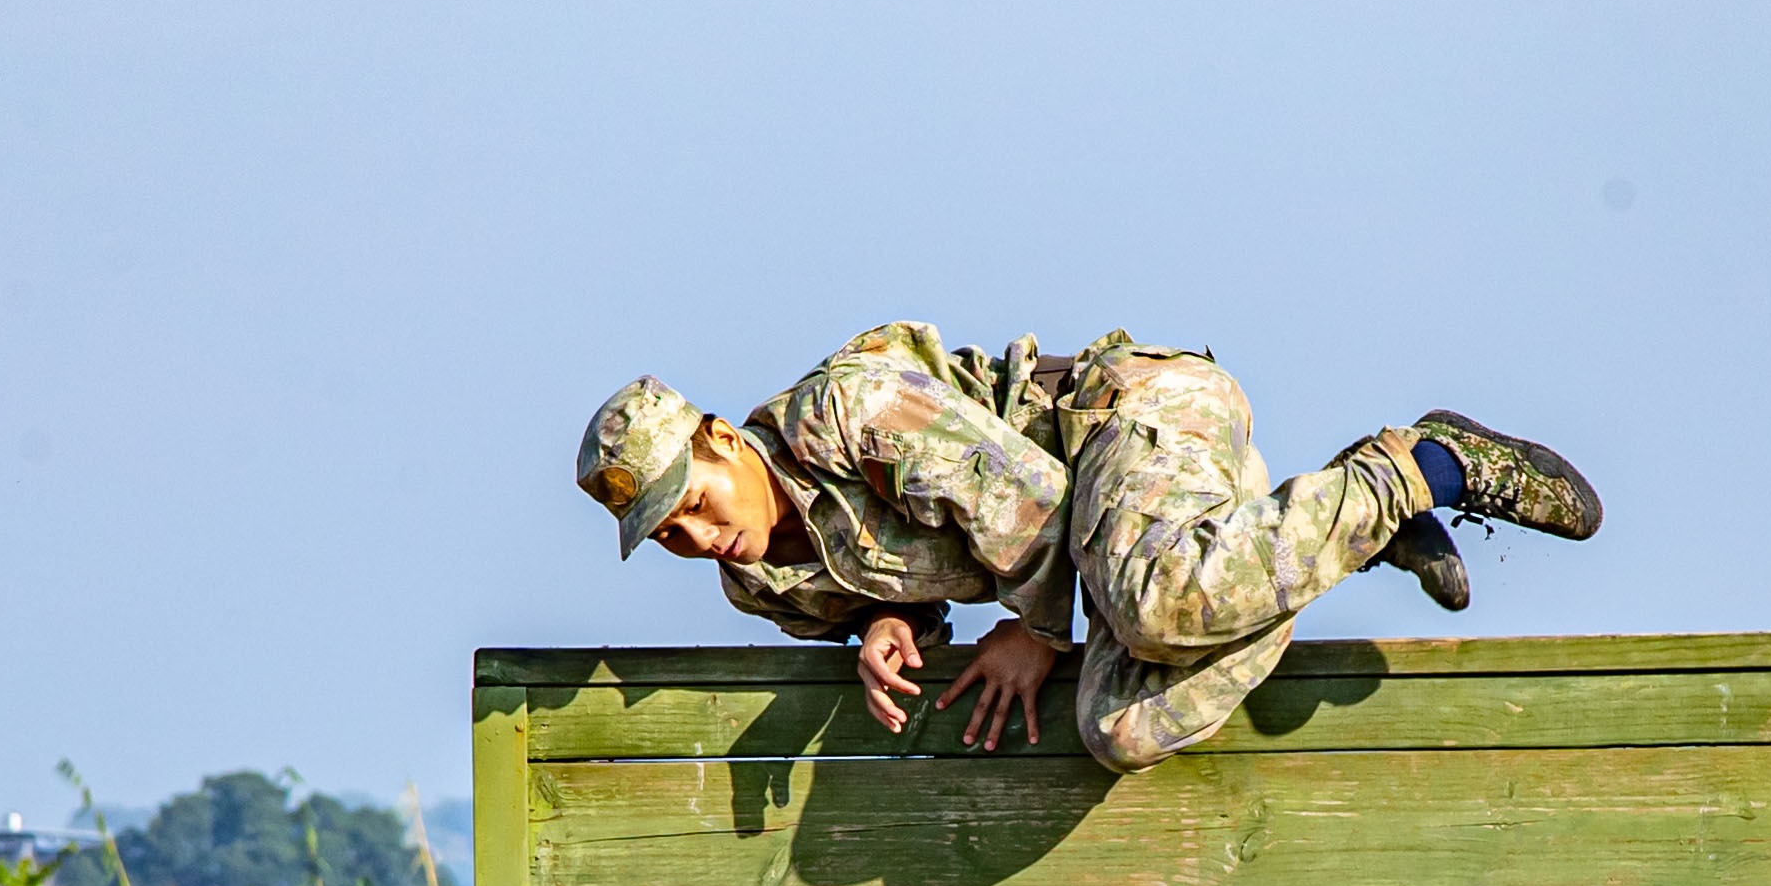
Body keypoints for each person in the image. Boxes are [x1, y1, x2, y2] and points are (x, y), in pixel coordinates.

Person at [577, 325, 1602, 772]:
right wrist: (889, 628)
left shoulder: (842, 413)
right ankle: (1339, 524)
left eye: (695, 504)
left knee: (1156, 601)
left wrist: (1028, 630)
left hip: (1125, 419)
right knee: (1122, 726)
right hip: (1113, 539)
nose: (697, 537)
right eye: (668, 532)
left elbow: (1027, 499)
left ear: (722, 441)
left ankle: (1422, 468)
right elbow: (907, 588)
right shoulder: (764, 587)